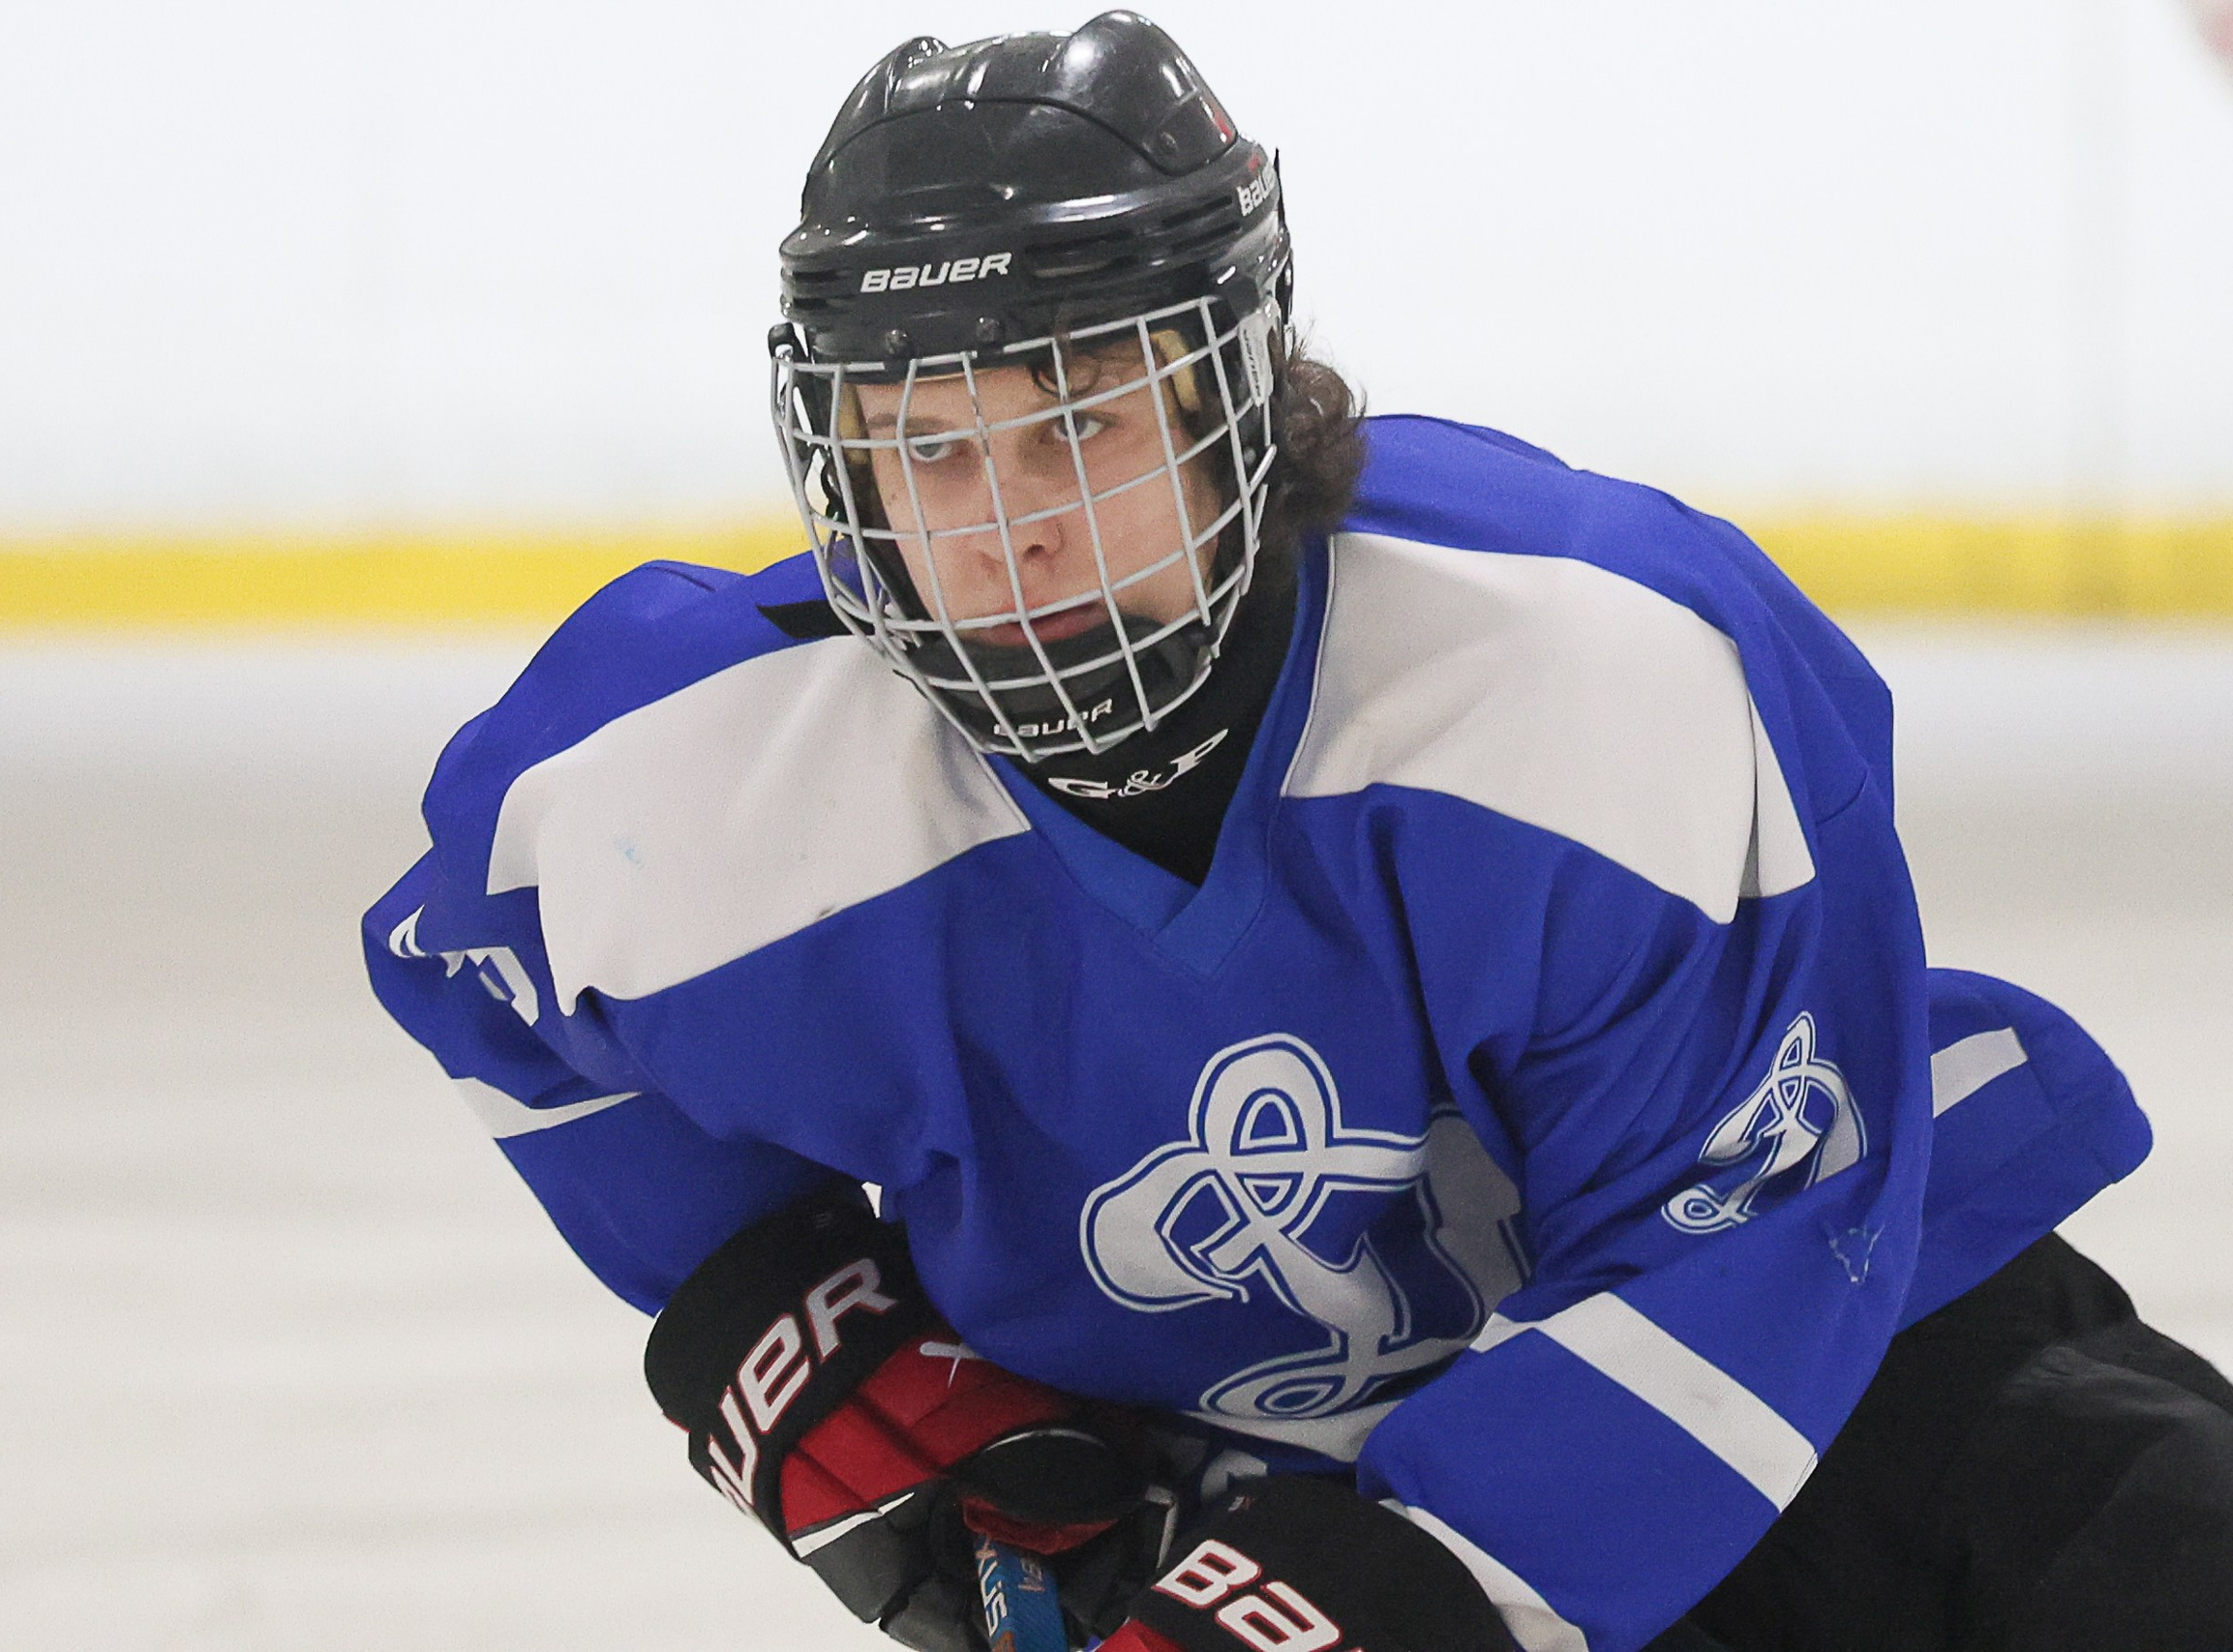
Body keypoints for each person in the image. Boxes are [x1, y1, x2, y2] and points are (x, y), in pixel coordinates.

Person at [363, 15, 2233, 1651]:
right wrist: (802, 1336)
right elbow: (478, 982)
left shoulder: (1588, 667)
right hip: (1230, 1493)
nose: (1003, 523)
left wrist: (1395, 1598)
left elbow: (1757, 1231)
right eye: (922, 443)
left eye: (1074, 425)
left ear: (1228, 389)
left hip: (1850, 1391)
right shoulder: (674, 788)